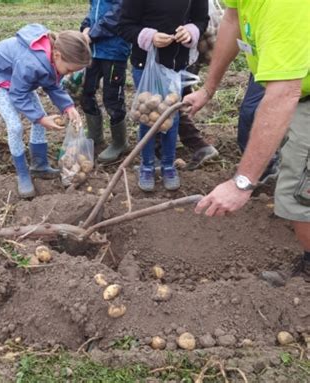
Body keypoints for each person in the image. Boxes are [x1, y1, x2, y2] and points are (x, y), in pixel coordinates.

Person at [185, 1, 310, 283]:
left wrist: (242, 183)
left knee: (301, 194)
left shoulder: (284, 7)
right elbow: (232, 19)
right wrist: (208, 87)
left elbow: (283, 93)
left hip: (297, 88)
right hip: (299, 86)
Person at [0, 24, 91, 199]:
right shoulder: (31, 63)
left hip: (20, 79)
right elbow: (18, 93)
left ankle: (39, 166)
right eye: (69, 70)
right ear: (57, 55)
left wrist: (68, 107)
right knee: (16, 126)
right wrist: (40, 118)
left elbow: (53, 85)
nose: (69, 74)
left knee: (40, 118)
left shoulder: (53, 59)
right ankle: (23, 173)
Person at [119, 0, 209, 191]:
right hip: (145, 65)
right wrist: (150, 37)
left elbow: (202, 20)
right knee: (147, 115)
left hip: (176, 65)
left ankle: (168, 165)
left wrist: (191, 31)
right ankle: (147, 165)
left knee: (171, 118)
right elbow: (124, 25)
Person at [80, 0, 131, 163]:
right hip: (93, 52)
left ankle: (120, 142)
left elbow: (118, 14)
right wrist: (85, 26)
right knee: (85, 92)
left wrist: (92, 34)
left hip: (114, 51)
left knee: (112, 98)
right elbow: (93, 11)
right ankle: (95, 136)